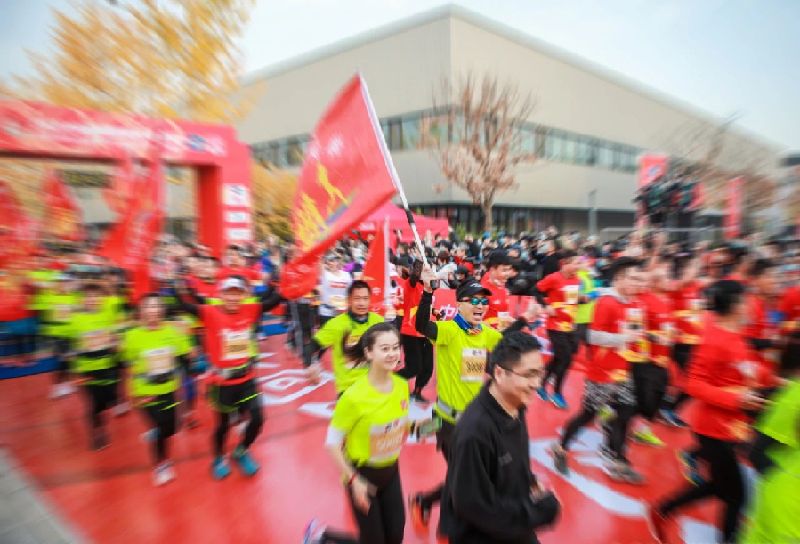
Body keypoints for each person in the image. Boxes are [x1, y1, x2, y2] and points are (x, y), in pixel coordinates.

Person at [408, 265, 536, 532]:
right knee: (466, 478)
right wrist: (428, 292)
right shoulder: (449, 331)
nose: (480, 306)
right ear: (459, 304)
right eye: (474, 301)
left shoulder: (484, 333)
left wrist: (524, 320)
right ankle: (442, 523)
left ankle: (426, 503)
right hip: (447, 422)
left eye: (484, 302)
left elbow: (506, 342)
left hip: (476, 423)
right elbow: (421, 325)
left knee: (471, 477)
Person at [649, 280, 765, 544]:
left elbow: (739, 372)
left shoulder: (736, 336)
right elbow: (693, 383)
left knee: (723, 487)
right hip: (713, 430)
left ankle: (664, 509)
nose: (752, 306)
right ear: (735, 306)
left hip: (733, 427)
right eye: (747, 301)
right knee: (736, 496)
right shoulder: (715, 340)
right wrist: (737, 399)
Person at [303, 322, 436, 544]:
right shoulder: (353, 397)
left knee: (394, 537)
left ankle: (322, 535)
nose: (392, 354)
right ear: (369, 352)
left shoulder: (401, 386)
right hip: (361, 475)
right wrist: (354, 481)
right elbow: (332, 444)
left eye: (395, 347)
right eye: (385, 349)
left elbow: (402, 426)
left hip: (390, 473)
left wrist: (437, 425)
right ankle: (322, 535)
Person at [439, 331, 560, 543]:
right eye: (529, 375)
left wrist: (529, 481)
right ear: (500, 373)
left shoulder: (516, 405)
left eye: (540, 374)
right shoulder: (475, 432)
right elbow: (473, 507)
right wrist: (540, 511)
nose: (537, 384)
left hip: (512, 521)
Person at [549, 257, 647, 484]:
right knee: (589, 414)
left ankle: (617, 459)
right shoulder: (607, 302)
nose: (638, 283)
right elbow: (592, 336)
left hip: (623, 370)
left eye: (640, 279)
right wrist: (623, 338)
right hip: (602, 372)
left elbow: (633, 334)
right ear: (619, 279)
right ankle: (561, 446)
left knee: (626, 413)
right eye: (633, 278)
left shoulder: (634, 304)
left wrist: (638, 343)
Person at [176, 275, 282, 479]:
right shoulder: (209, 312)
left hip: (247, 378)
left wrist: (286, 281)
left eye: (237, 293)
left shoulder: (250, 309)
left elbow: (275, 300)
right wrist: (176, 284)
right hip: (222, 383)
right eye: (228, 293)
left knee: (258, 419)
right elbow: (183, 305)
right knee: (223, 425)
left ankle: (241, 451)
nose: (233, 298)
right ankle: (218, 458)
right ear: (221, 295)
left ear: (243, 295)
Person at [121, 293, 192, 486]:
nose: (152, 310)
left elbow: (186, 355)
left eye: (156, 306)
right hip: (145, 392)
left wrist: (188, 338)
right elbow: (128, 365)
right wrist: (131, 394)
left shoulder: (173, 331)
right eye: (148, 306)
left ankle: (156, 433)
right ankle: (161, 464)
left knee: (173, 427)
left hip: (169, 388)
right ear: (141, 311)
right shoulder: (132, 335)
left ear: (162, 310)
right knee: (162, 427)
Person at [62, 282, 124, 450]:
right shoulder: (75, 319)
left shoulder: (108, 315)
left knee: (107, 400)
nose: (92, 299)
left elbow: (116, 336)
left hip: (108, 367)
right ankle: (98, 432)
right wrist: (73, 364)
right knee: (94, 402)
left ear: (102, 298)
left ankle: (102, 419)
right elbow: (68, 346)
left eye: (96, 296)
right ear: (82, 299)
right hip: (86, 370)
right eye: (88, 296)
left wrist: (116, 342)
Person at [304, 280, 385, 395]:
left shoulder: (378, 321)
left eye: (365, 298)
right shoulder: (336, 324)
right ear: (349, 300)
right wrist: (310, 365)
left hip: (375, 387)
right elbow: (310, 347)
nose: (361, 303)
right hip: (348, 390)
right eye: (357, 299)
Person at [535, 249, 582, 409]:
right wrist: (545, 305)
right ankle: (557, 393)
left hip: (570, 325)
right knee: (566, 358)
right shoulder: (553, 278)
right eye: (576, 263)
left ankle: (541, 384)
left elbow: (571, 301)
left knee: (560, 358)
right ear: (564, 263)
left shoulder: (577, 280)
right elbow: (536, 291)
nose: (578, 266)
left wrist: (582, 299)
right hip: (554, 326)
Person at [395, 258, 434, 403]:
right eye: (426, 270)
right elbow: (415, 275)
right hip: (410, 332)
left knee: (427, 368)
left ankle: (417, 392)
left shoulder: (429, 288)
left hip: (426, 332)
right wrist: (420, 260)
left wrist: (436, 313)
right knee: (414, 368)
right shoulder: (411, 284)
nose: (429, 273)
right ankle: (392, 380)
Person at [35, 273, 80, 399]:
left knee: (71, 360)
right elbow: (39, 309)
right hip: (57, 335)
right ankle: (57, 387)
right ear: (55, 283)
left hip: (73, 334)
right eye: (60, 282)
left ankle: (67, 383)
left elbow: (79, 313)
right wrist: (43, 291)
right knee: (64, 359)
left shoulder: (75, 297)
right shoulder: (48, 296)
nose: (63, 285)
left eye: (66, 282)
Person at [318, 254, 353, 326]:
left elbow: (351, 291)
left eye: (336, 261)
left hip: (342, 312)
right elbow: (319, 260)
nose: (334, 263)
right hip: (327, 312)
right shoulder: (324, 274)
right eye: (331, 261)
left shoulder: (346, 275)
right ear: (327, 264)